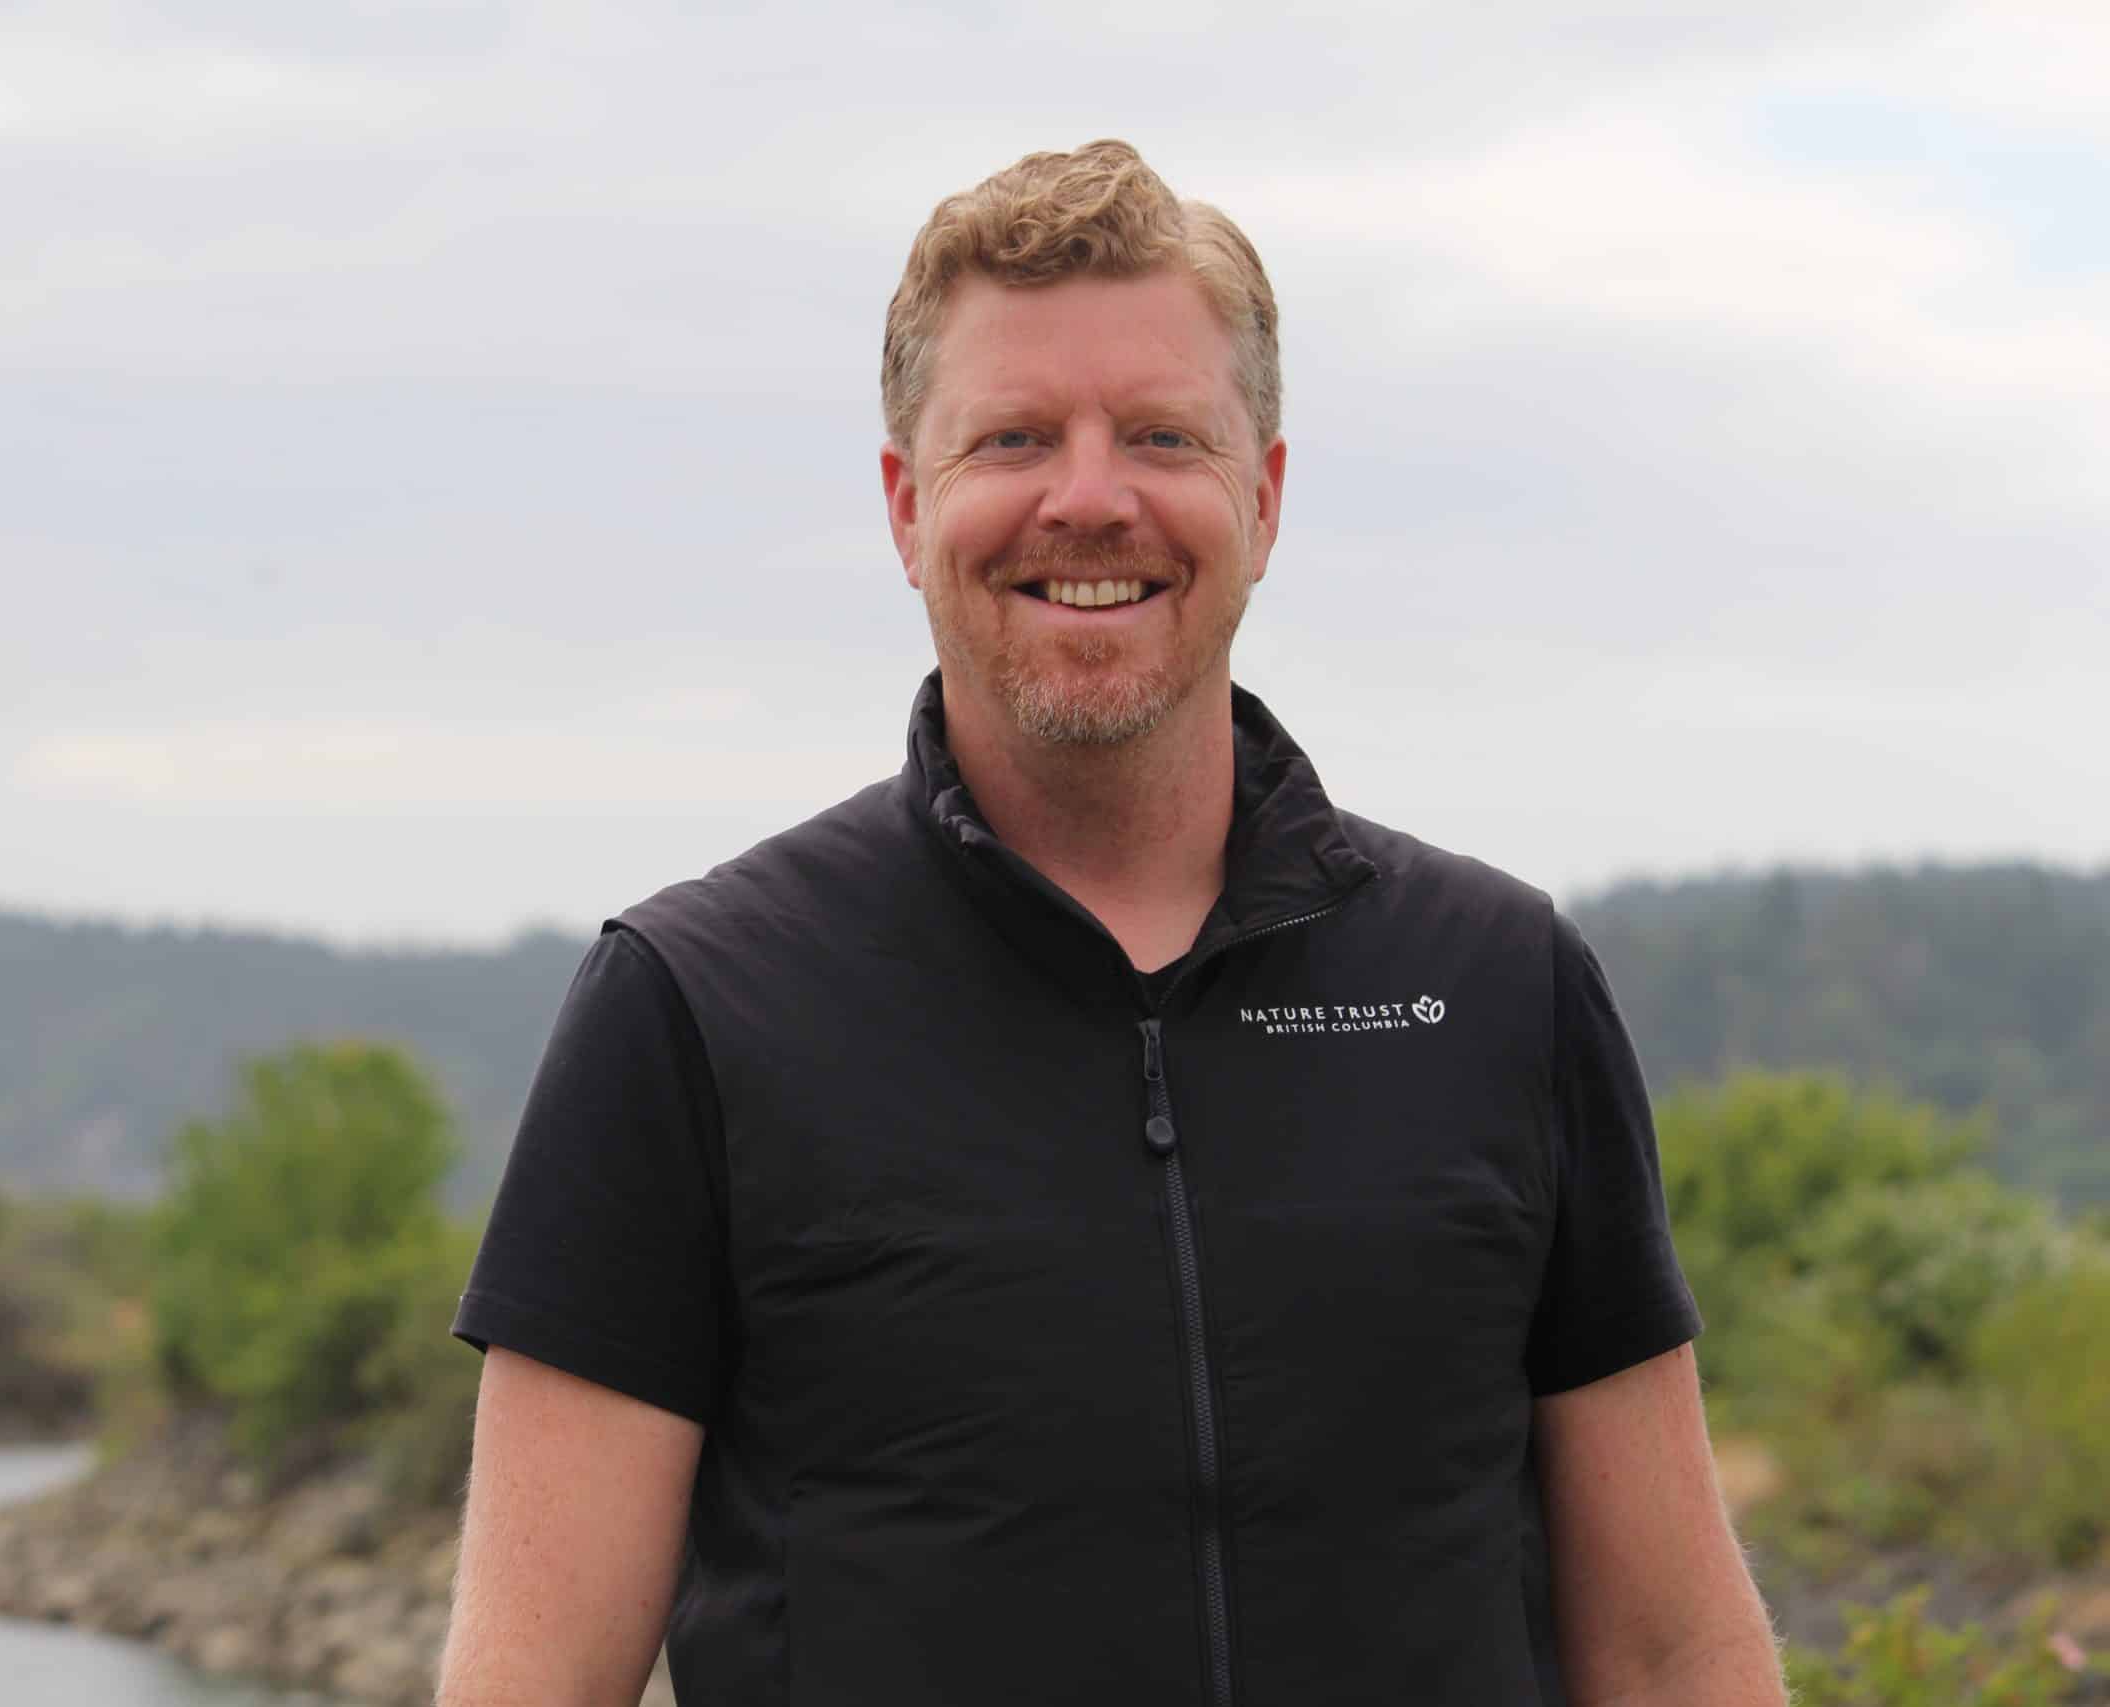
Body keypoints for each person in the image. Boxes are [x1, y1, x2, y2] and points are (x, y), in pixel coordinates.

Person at [436, 140, 1786, 1706]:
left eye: (1161, 434)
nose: (1090, 498)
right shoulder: (695, 1007)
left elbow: (1677, 1651)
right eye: (1013, 437)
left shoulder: (1497, 983)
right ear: (905, 504)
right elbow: (531, 1676)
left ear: (1263, 497)